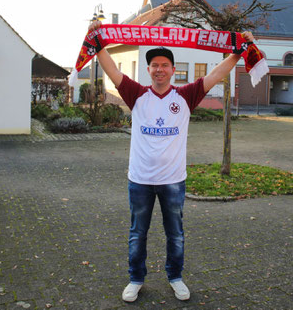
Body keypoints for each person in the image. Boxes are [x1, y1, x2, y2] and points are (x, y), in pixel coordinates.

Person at [88, 20, 255, 302]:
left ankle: (175, 277)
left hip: (173, 181)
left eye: (165, 64)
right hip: (140, 180)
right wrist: (96, 39)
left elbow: (216, 74)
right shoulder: (136, 94)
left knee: (175, 235)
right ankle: (135, 279)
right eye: (154, 65)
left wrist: (239, 51)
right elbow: (112, 69)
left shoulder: (186, 95)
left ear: (172, 70)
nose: (160, 69)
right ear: (149, 70)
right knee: (137, 234)